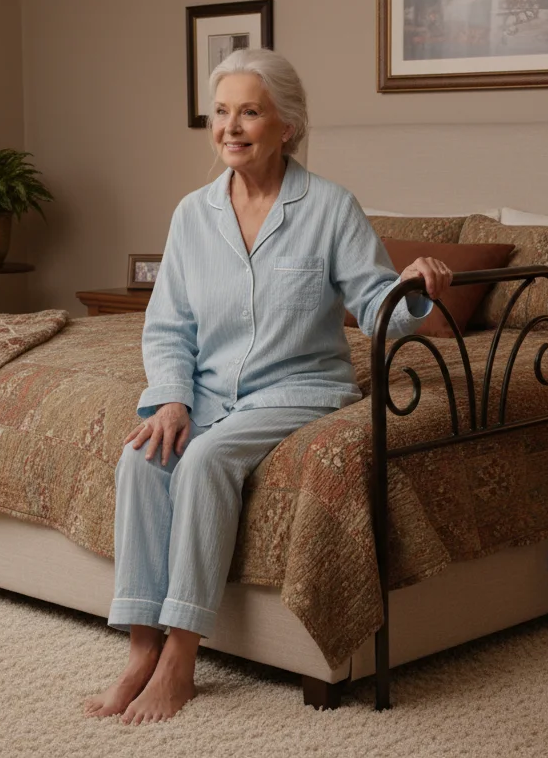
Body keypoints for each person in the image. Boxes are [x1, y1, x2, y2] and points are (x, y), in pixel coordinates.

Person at [82, 48, 453, 725]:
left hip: (300, 386)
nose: (231, 126)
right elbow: (168, 327)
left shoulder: (331, 208)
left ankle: (180, 658)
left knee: (205, 460)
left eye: (250, 112)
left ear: (288, 125)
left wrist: (413, 286)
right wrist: (172, 398)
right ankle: (139, 647)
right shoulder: (192, 216)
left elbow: (375, 307)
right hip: (212, 390)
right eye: (222, 112)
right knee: (142, 458)